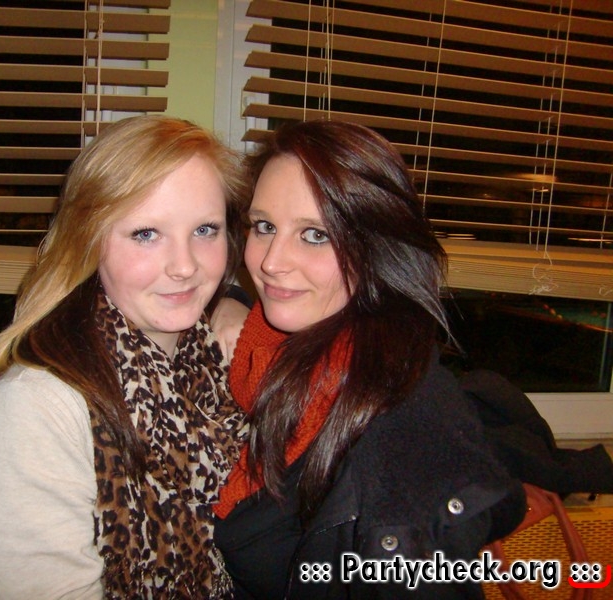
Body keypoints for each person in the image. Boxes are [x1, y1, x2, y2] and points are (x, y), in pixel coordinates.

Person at [212, 120, 526, 599]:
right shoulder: (276, 351)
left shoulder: (403, 428)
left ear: (378, 246)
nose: (271, 261)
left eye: (315, 234)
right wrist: (226, 300)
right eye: (265, 226)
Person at [0, 115, 249, 600]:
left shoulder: (216, 365)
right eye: (145, 233)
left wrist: (236, 300)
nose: (185, 265)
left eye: (205, 229)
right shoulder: (36, 410)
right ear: (88, 239)